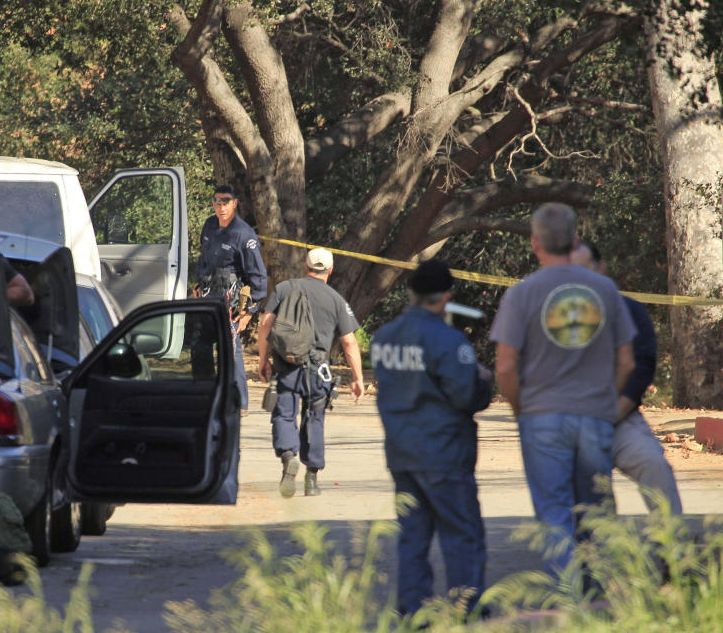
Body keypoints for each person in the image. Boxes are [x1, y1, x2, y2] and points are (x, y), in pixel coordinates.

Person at [490, 203, 636, 583]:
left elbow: (505, 366)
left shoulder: (521, 295)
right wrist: (606, 403)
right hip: (594, 417)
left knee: (554, 511)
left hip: (541, 417)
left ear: (535, 243)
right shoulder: (605, 290)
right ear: (574, 240)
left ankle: (569, 595)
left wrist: (521, 409)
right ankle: (599, 587)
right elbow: (627, 361)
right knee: (595, 509)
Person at [371, 259, 492, 616]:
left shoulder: (384, 337)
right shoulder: (447, 339)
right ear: (445, 297)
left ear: (411, 294)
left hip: (402, 454)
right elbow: (467, 396)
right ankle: (466, 606)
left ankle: (412, 610)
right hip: (444, 454)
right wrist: (482, 380)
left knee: (413, 537)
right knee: (461, 533)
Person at [570, 241, 683, 515]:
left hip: (621, 417)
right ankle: (595, 551)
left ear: (601, 268)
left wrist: (614, 411)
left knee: (654, 465)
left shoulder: (629, 311)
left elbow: (642, 366)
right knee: (590, 496)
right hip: (573, 423)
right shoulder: (555, 317)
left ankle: (672, 545)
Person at [257, 247, 364, 497]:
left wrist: (263, 358)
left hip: (286, 367)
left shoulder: (285, 288)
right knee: (314, 418)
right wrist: (357, 378)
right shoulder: (337, 300)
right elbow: (349, 343)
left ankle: (287, 458)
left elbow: (265, 325)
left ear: (306, 267)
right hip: (319, 371)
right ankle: (312, 480)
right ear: (330, 270)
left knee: (284, 415)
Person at [193, 185, 267, 413]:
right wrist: (197, 283)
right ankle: (205, 397)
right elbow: (204, 258)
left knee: (229, 350)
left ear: (234, 203)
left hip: (230, 304)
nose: (221, 206)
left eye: (226, 201)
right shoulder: (209, 225)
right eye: (217, 201)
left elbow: (258, 276)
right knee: (199, 347)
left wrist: (250, 311)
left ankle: (238, 403)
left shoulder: (244, 234)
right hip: (206, 297)